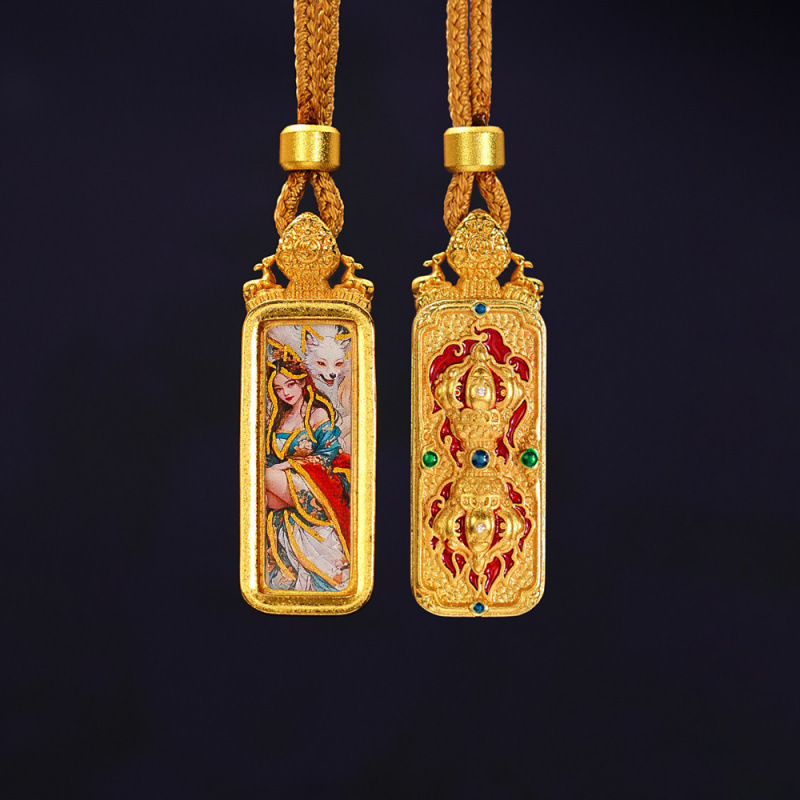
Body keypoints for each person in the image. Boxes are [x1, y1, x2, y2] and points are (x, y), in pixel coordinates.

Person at [263, 353, 351, 591]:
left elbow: (329, 453)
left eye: (290, 384)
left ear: (302, 382)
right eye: (279, 389)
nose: (285, 393)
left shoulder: (317, 414)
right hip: (286, 484)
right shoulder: (280, 418)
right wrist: (277, 466)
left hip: (316, 483)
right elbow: (271, 456)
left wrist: (287, 465)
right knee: (262, 497)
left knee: (262, 478)